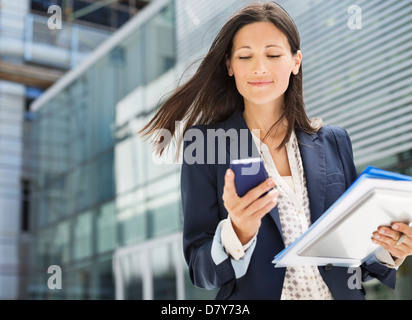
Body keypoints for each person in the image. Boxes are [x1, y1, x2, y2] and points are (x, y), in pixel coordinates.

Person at [139, 2, 412, 300]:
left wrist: (389, 249)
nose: (259, 67)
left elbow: (352, 259)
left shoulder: (334, 141)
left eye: (273, 54)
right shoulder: (205, 145)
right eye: (245, 56)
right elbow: (201, 270)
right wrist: (238, 230)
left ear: (296, 61)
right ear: (229, 65)